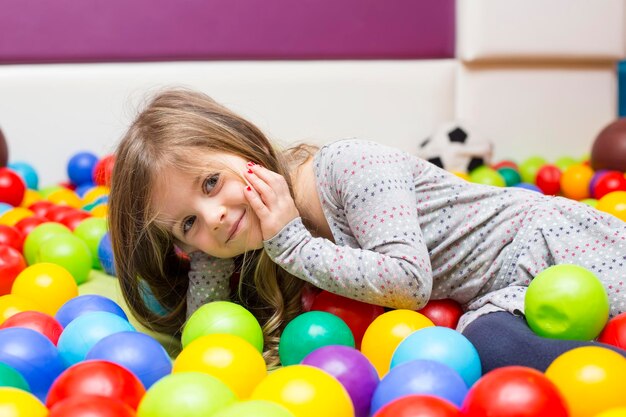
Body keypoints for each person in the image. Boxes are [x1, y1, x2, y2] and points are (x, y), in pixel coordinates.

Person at [109, 88, 626, 370]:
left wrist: (291, 241)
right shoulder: (253, 237)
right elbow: (211, 330)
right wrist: (208, 255)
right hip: (498, 298)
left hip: (550, 247)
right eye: (188, 223)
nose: (215, 215)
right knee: (485, 345)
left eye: (212, 181)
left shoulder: (351, 169)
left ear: (245, 147)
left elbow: (407, 281)